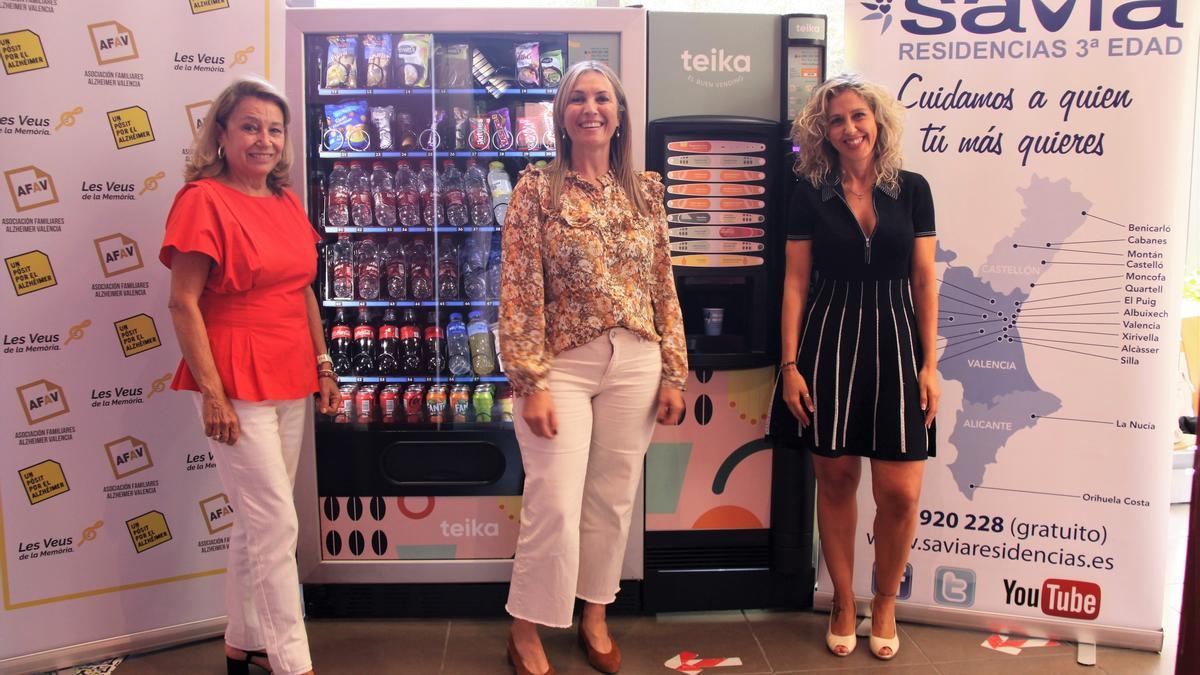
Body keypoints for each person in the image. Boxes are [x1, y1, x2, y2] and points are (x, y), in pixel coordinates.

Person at [499, 60, 687, 675]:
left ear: (619, 111)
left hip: (636, 361)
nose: (590, 108)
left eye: (601, 98)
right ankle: (524, 628)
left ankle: (595, 615)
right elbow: (520, 290)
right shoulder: (536, 190)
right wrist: (530, 380)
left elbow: (663, 284)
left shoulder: (647, 190)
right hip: (563, 367)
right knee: (552, 500)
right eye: (577, 98)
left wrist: (674, 372)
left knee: (611, 500)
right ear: (561, 114)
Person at [161, 76, 338, 675]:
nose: (264, 140)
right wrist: (212, 394)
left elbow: (303, 290)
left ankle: (242, 642)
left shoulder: (285, 200)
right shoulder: (201, 200)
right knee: (276, 524)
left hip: (290, 369)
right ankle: (292, 662)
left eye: (274, 129)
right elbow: (183, 302)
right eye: (250, 127)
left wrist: (323, 365)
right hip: (233, 376)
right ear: (221, 133)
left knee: (258, 519)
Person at [769, 73, 939, 660]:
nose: (849, 128)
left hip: (897, 344)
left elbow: (922, 279)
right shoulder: (810, 194)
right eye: (836, 120)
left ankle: (884, 600)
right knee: (836, 480)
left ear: (878, 122)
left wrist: (930, 362)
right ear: (824, 131)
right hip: (829, 340)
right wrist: (788, 365)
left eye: (858, 116)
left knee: (900, 492)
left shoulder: (912, 189)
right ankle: (843, 599)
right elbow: (794, 283)